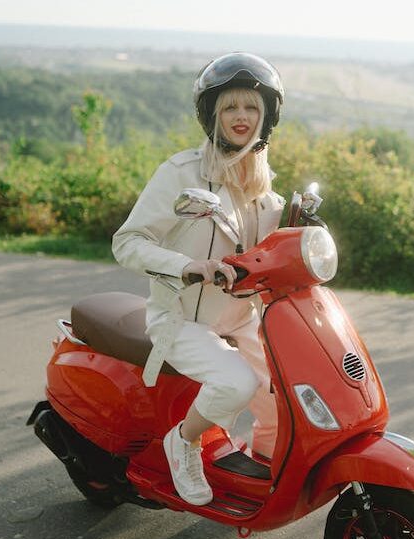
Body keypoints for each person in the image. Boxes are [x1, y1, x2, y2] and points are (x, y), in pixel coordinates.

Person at [112, 52, 285, 506]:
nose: (242, 117)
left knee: (285, 388)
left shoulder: (265, 189)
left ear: (266, 116)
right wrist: (184, 266)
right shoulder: (182, 172)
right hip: (184, 317)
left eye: (251, 107)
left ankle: (267, 465)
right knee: (237, 383)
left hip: (243, 316)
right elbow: (127, 241)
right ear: (213, 114)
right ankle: (184, 442)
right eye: (230, 107)